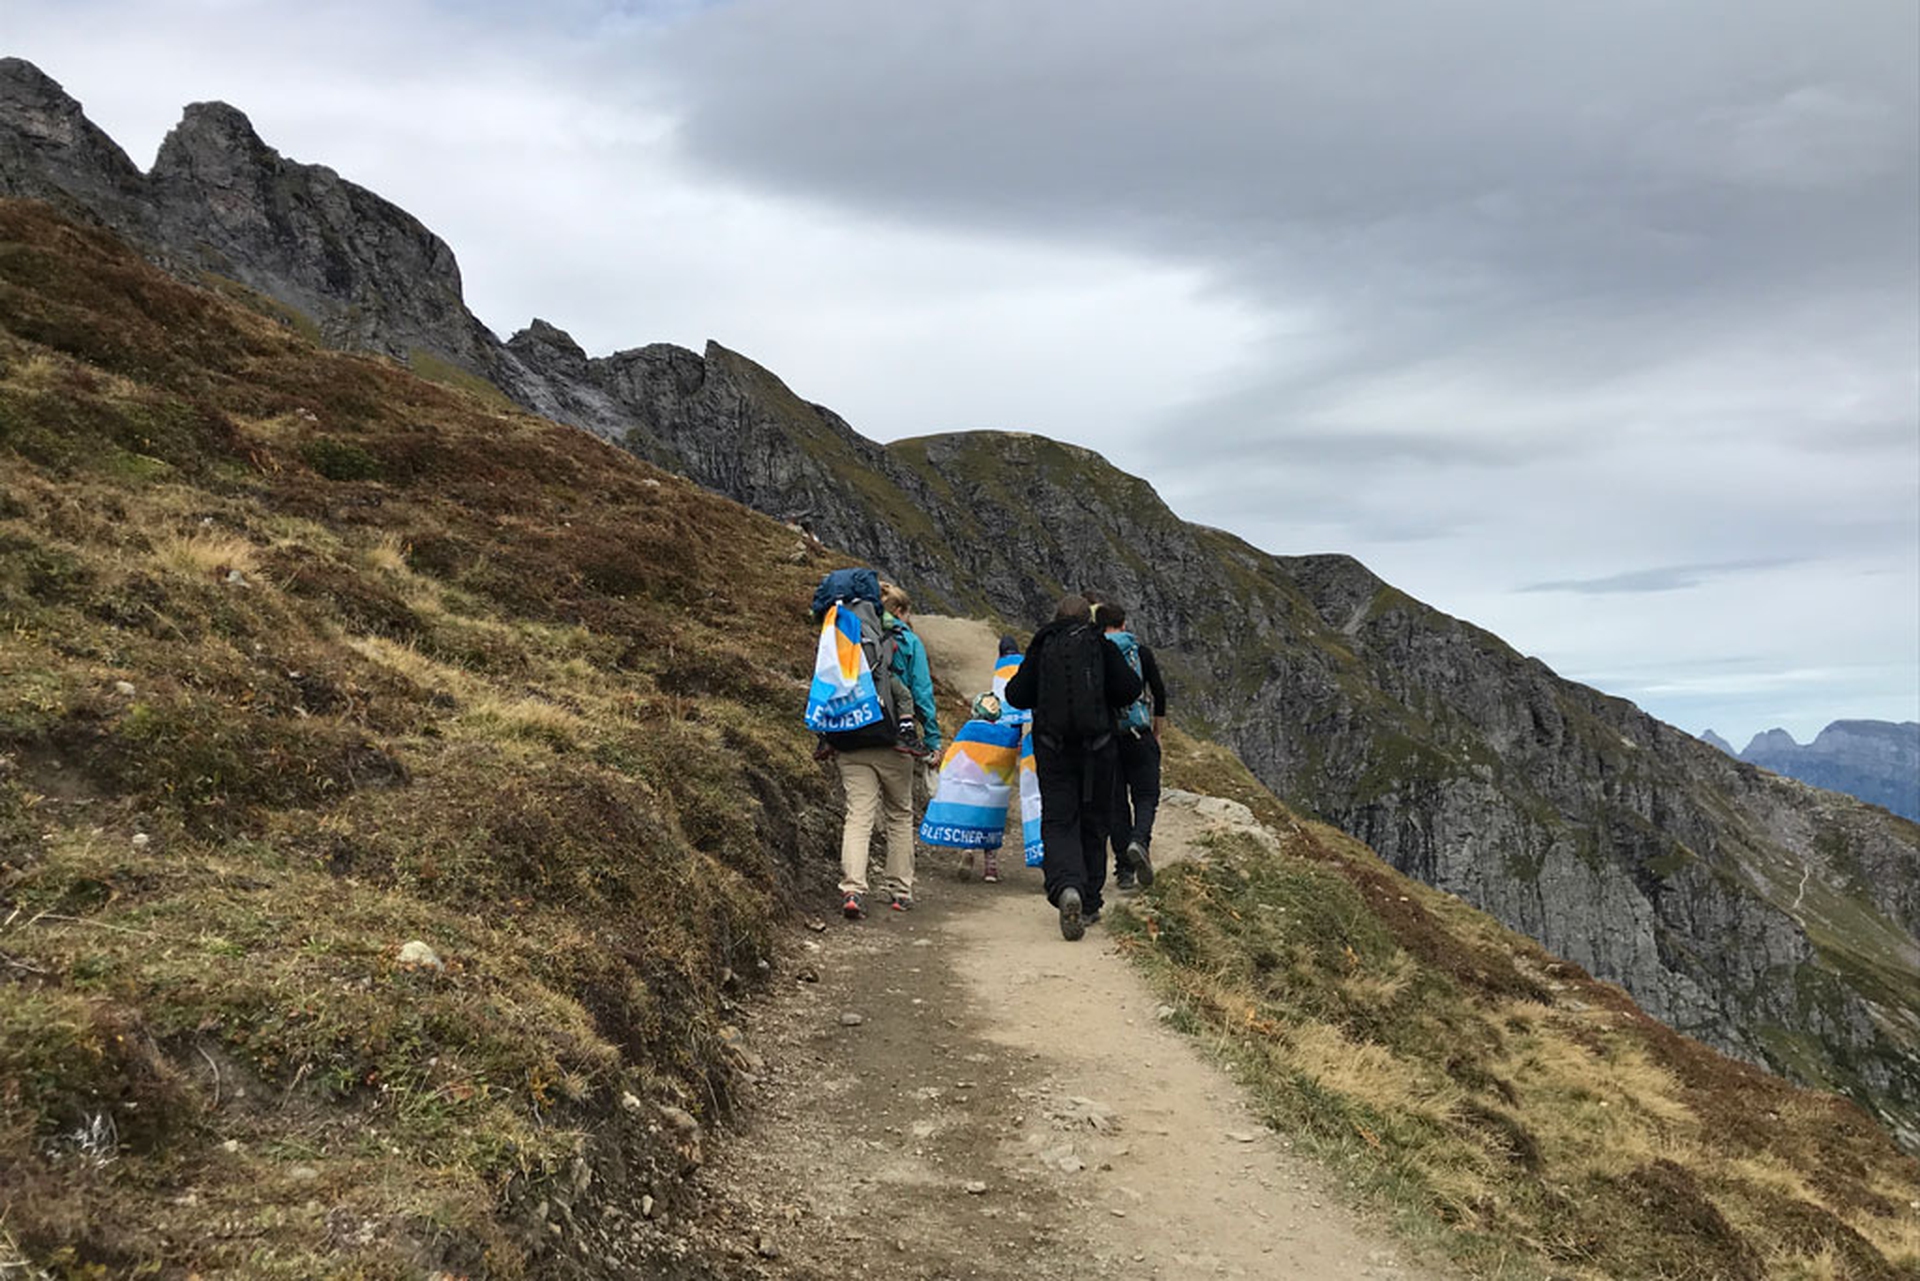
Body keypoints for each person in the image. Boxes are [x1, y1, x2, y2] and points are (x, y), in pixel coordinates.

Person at [1002, 595, 1143, 940]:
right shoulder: (1100, 644)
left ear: (1055, 615)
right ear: (1089, 618)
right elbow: (1130, 689)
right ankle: (1091, 901)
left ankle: (1067, 886)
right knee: (1095, 822)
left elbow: (1016, 695)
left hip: (1054, 750)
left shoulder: (1043, 644)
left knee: (1059, 821)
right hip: (1099, 750)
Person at [833, 581, 940, 919]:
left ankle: (853, 888)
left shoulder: (846, 634)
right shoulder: (908, 642)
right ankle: (900, 890)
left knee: (859, 814)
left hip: (850, 737)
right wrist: (933, 740)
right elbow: (921, 694)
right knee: (899, 813)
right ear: (899, 610)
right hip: (894, 743)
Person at [1097, 601, 1166, 892]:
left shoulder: (1095, 651)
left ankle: (1124, 871)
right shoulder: (1140, 652)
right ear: (1124, 623)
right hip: (1139, 733)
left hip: (1107, 737)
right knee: (1147, 795)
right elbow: (1159, 691)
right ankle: (1140, 842)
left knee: (1116, 804)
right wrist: (1157, 730)